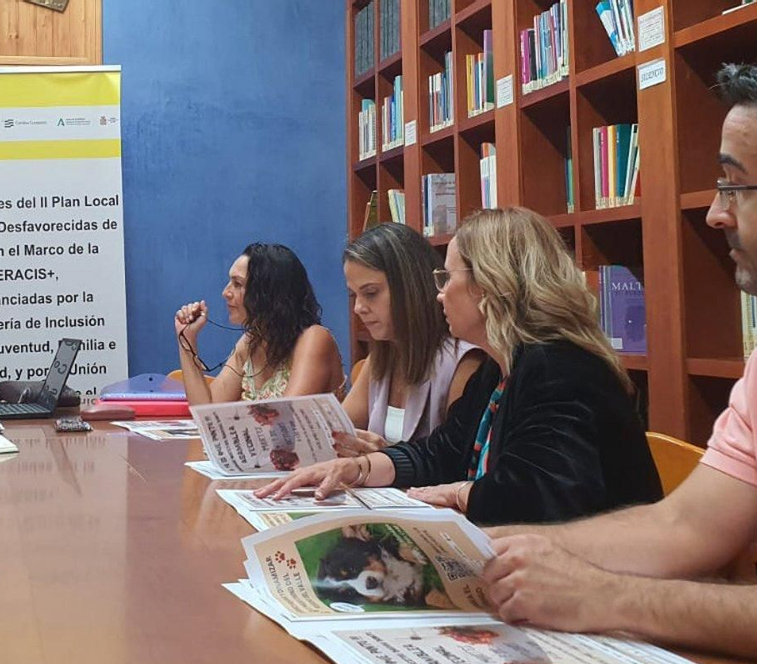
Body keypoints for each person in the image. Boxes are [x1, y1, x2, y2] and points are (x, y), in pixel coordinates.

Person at [479, 47, 757, 664]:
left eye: (736, 186)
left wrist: (614, 598)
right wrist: (481, 554)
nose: (717, 213)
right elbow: (685, 526)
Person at [259, 207, 661, 525]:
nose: (439, 294)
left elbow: (539, 494)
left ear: (489, 285)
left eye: (447, 277)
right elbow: (441, 453)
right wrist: (358, 468)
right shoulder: (500, 368)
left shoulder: (559, 368)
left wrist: (458, 493)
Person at [335, 222, 486, 452]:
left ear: (409, 286)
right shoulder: (382, 357)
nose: (358, 308)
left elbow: (455, 463)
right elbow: (338, 432)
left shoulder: (463, 362)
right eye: (353, 295)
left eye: (371, 293)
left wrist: (383, 461)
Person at [173, 243, 344, 404]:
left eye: (237, 284)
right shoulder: (251, 341)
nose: (225, 292)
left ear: (269, 293)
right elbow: (207, 411)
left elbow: (288, 419)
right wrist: (186, 340)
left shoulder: (314, 338)